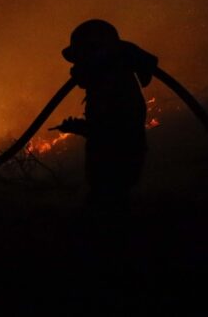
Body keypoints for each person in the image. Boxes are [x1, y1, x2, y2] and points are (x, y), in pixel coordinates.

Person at [54, 19, 158, 214]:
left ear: (95, 54)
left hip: (113, 175)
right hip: (111, 175)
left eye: (81, 58)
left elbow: (114, 134)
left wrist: (82, 128)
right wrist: (82, 127)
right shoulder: (109, 82)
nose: (76, 67)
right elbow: (108, 127)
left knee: (107, 220)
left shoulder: (114, 85)